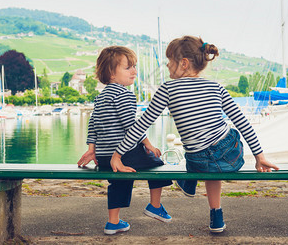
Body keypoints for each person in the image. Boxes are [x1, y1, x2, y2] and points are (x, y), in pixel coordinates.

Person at [111, 36, 279, 233]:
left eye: (169, 60)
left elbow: (141, 125)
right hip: (228, 158)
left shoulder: (167, 89)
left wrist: (118, 154)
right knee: (227, 137)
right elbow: (243, 123)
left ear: (183, 64)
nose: (166, 64)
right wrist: (260, 157)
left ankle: (189, 181)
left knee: (198, 152)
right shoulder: (216, 87)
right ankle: (216, 216)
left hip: (197, 160)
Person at [77, 46, 172, 235]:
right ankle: (154, 205)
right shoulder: (124, 95)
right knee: (158, 165)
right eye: (128, 68)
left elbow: (93, 125)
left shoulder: (100, 97)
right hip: (124, 154)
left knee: (118, 181)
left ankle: (113, 222)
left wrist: (91, 149)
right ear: (111, 73)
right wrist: (149, 145)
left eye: (134, 67)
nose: (134, 71)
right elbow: (132, 127)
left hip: (104, 157)